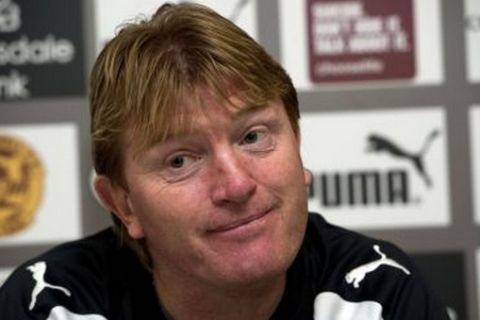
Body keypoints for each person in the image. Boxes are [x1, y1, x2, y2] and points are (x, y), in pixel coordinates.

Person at [0, 3, 450, 319]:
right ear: (124, 204)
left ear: (297, 144)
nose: (236, 185)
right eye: (179, 161)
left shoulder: (379, 297)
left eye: (253, 136)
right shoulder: (50, 306)